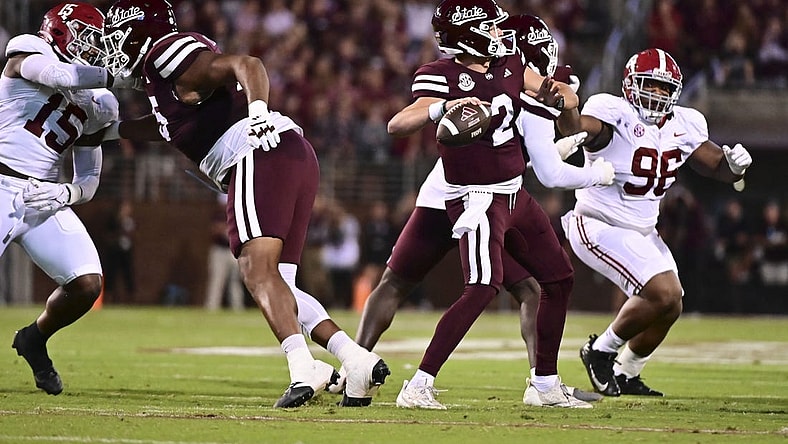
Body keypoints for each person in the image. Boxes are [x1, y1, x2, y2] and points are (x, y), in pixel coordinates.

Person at [99, 0, 389, 408]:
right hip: (288, 154)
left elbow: (247, 63)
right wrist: (110, 132)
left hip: (257, 151)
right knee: (279, 282)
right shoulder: (165, 81)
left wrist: (257, 113)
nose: (112, 43)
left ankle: (302, 368)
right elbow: (170, 126)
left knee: (256, 269)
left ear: (137, 29)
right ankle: (355, 360)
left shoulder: (165, 51)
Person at [385, 1, 599, 409]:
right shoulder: (440, 76)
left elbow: (559, 95)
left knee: (559, 280)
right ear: (467, 34)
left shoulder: (511, 64)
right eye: (492, 28)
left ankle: (545, 384)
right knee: (482, 287)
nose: (501, 34)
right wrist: (440, 109)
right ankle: (418, 385)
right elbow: (398, 124)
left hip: (515, 193)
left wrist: (562, 98)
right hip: (476, 198)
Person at [556, 48, 753, 396]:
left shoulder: (685, 123)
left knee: (671, 305)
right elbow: (576, 129)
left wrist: (733, 166)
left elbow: (714, 166)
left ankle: (628, 370)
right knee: (664, 291)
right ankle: (600, 350)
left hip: (644, 231)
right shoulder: (612, 113)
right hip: (599, 223)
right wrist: (568, 105)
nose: (657, 94)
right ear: (631, 85)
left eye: (664, 88)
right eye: (650, 85)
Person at [2, 1, 138, 395]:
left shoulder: (100, 102)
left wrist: (66, 191)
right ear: (62, 31)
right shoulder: (30, 49)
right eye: (90, 39)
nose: (97, 49)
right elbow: (60, 75)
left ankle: (34, 339)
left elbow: (89, 178)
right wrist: (117, 77)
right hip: (0, 179)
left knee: (87, 283)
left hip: (41, 194)